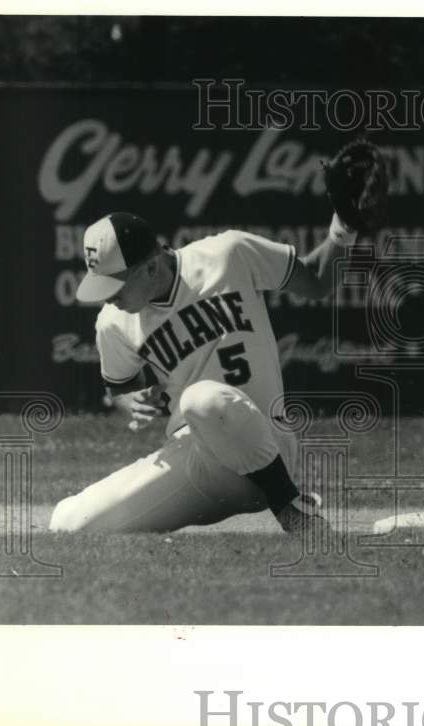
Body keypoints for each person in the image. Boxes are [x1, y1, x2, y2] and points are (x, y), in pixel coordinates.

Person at [49, 207, 364, 534]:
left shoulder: (230, 254)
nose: (109, 297)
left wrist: (344, 226)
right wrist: (133, 402)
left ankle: (289, 505)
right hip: (198, 460)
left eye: (116, 285)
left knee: (202, 398)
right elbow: (120, 388)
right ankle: (283, 501)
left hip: (269, 443)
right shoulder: (112, 324)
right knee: (68, 522)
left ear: (151, 266)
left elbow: (317, 280)